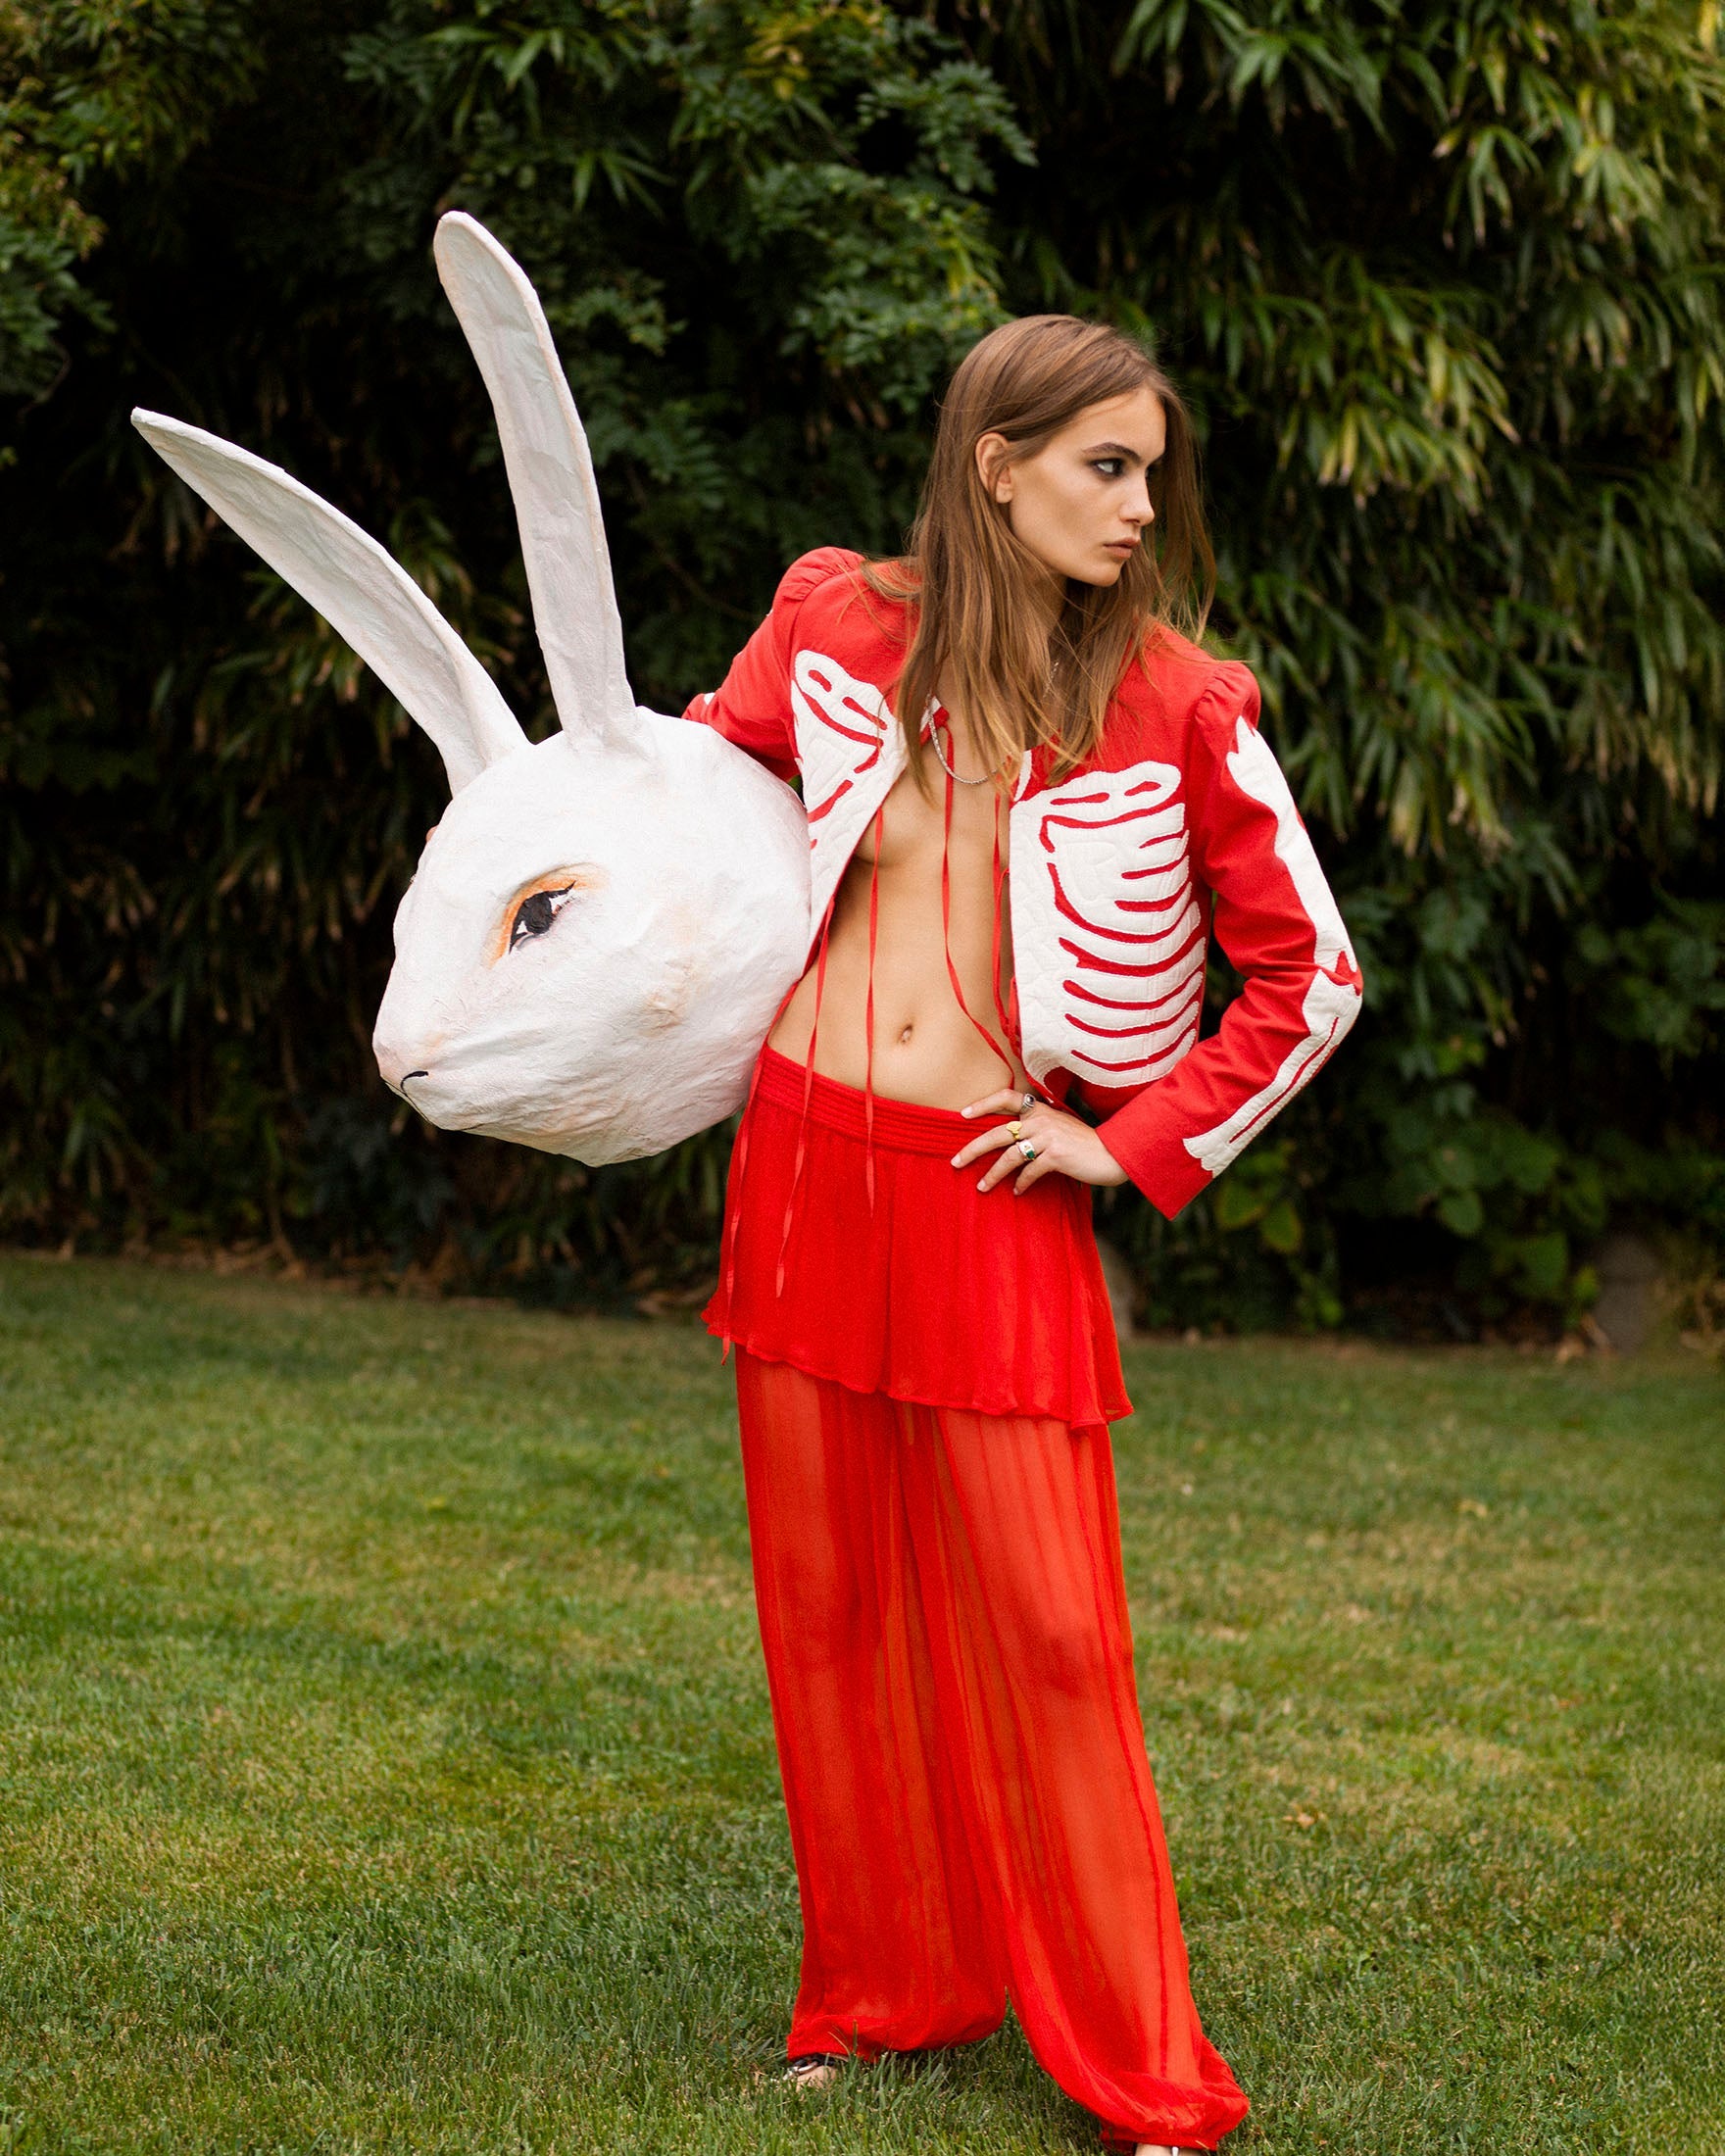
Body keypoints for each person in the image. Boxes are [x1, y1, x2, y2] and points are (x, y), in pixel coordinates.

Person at [683, 315, 1362, 2154]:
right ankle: (877, 1996)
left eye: (1152, 473)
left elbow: (1311, 979)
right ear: (997, 466)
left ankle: (1144, 2074)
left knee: (1056, 1634)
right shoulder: (832, 619)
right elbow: (693, 802)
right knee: (830, 1613)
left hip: (994, 1196)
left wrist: (1122, 1143)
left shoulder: (1180, 703)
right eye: (1106, 467)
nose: (1141, 507)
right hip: (804, 1169)